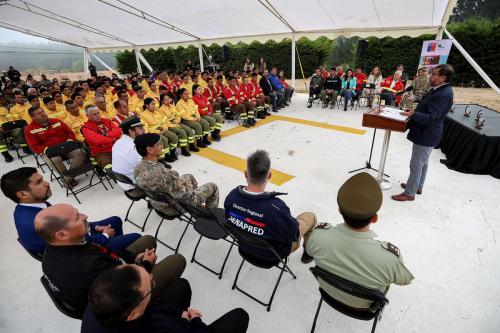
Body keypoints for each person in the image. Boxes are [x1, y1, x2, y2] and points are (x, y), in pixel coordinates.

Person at [35, 203, 186, 314]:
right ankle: (155, 299)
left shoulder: (55, 247)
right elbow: (127, 287)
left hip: (111, 274)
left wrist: (135, 259)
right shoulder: (90, 266)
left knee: (148, 239)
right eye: (77, 218)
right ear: (62, 234)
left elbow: (108, 255)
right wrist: (145, 264)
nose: (84, 216)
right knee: (177, 260)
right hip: (120, 300)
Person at [306, 172, 414, 309]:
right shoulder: (389, 259)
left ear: (340, 210)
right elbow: (403, 281)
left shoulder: (318, 236)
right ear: (375, 218)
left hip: (329, 294)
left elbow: (309, 251)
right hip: (364, 308)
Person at [1, 167, 141, 256]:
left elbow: (70, 225)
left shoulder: (32, 205)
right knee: (136, 237)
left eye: (42, 179)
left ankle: (116, 254)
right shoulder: (38, 221)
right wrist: (104, 237)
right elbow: (77, 241)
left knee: (115, 220)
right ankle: (114, 256)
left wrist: (95, 227)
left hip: (72, 240)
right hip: (76, 252)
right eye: (38, 182)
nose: (47, 183)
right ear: (22, 194)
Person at [82, 265, 249, 333]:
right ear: (132, 314)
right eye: (151, 285)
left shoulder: (99, 301)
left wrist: (181, 316)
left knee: (180, 285)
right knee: (239, 316)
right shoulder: (160, 328)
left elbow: (153, 308)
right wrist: (194, 321)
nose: (153, 278)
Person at [224, 150, 317, 263]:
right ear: (270, 175)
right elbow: (294, 235)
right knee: (310, 217)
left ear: (245, 174)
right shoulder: (276, 208)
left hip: (245, 248)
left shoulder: (232, 197)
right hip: (272, 255)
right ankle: (308, 253)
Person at [392, 64, 454, 201]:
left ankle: (409, 193)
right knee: (423, 162)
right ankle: (418, 185)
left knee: (416, 164)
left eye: (434, 74)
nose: (430, 76)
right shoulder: (439, 89)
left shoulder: (443, 94)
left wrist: (414, 114)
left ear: (443, 77)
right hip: (427, 133)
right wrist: (414, 112)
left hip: (427, 133)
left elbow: (433, 117)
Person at [134, 133, 219, 217]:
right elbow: (184, 196)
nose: (162, 147)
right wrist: (188, 187)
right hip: (174, 208)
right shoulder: (165, 174)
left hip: (157, 203)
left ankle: (199, 206)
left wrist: (180, 182)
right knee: (213, 187)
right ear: (150, 149)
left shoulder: (137, 169)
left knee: (189, 176)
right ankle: (209, 218)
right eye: (158, 144)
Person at [24, 106, 85, 187]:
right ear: (33, 117)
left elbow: (70, 132)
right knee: (55, 160)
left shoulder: (56, 121)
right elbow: (34, 146)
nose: (43, 114)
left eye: (43, 111)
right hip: (49, 152)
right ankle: (69, 178)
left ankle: (67, 178)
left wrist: (69, 140)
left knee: (81, 152)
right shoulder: (29, 129)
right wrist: (47, 150)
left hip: (65, 147)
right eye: (39, 113)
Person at [112, 116, 146, 191]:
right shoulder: (134, 148)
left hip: (125, 184)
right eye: (140, 128)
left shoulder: (117, 143)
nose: (144, 130)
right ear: (131, 131)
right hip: (136, 186)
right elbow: (147, 168)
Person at [141, 97, 178, 162]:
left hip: (162, 130)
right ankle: (162, 159)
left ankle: (172, 152)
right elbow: (146, 128)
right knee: (164, 140)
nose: (154, 106)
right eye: (152, 104)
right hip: (154, 133)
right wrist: (158, 132)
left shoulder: (157, 112)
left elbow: (164, 121)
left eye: (154, 104)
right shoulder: (143, 115)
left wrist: (164, 128)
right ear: (147, 105)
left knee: (174, 136)